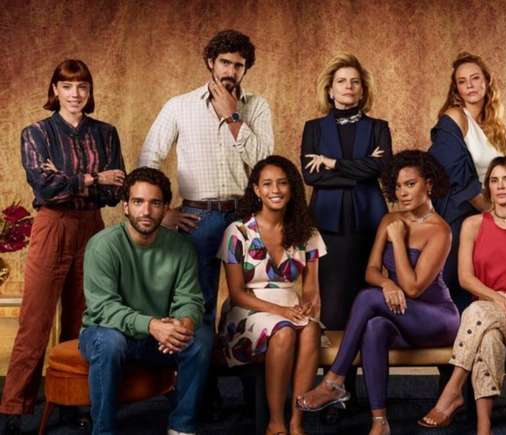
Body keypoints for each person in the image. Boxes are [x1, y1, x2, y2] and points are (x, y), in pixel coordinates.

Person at [138, 29, 274, 416]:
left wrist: (233, 116)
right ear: (211, 63)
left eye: (239, 65)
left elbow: (266, 163)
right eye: (225, 62)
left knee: (253, 301)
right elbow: (148, 157)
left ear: (246, 69)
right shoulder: (179, 106)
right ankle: (200, 394)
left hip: (245, 217)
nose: (231, 70)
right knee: (196, 306)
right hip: (196, 218)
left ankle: (255, 396)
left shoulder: (256, 106)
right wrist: (163, 211)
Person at [1, 59, 125, 434]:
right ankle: (13, 408)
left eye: (82, 86)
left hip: (92, 228)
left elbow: (115, 191)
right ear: (55, 89)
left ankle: (73, 401)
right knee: (35, 321)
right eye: (67, 86)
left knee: (83, 319)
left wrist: (71, 180)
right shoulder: (36, 133)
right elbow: (45, 186)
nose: (75, 94)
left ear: (90, 91)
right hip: (52, 225)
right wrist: (93, 177)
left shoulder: (106, 133)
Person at [297, 150, 460, 435]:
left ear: (429, 184)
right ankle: (379, 422)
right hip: (398, 312)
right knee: (374, 327)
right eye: (398, 186)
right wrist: (387, 283)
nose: (402, 193)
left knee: (368, 297)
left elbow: (413, 288)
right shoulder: (389, 219)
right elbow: (371, 271)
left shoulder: (440, 231)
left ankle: (334, 381)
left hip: (435, 318)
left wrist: (398, 241)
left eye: (410, 184)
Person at [419, 156, 506, 434]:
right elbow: (465, 278)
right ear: (488, 187)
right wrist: (498, 298)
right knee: (488, 338)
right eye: (494, 180)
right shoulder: (473, 224)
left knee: (477, 312)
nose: (500, 186)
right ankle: (484, 427)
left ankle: (452, 390)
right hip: (485, 316)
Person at [79, 167, 211, 435]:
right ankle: (103, 430)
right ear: (126, 206)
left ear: (166, 208)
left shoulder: (182, 247)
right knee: (110, 343)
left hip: (158, 339)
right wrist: (152, 325)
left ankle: (181, 426)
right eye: (138, 202)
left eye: (155, 203)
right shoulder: (103, 245)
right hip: (106, 332)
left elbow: (189, 299)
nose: (146, 211)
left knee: (200, 338)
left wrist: (183, 324)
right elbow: (103, 308)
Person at [218, 156, 325, 435]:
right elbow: (236, 293)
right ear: (256, 190)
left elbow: (311, 288)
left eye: (282, 183)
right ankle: (276, 422)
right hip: (247, 310)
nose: (275, 190)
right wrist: (282, 313)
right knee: (284, 331)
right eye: (267, 184)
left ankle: (297, 422)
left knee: (311, 330)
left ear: (292, 188)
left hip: (291, 306)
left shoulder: (307, 232)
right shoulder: (238, 232)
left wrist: (309, 306)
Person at [301, 52, 391, 331]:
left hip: (369, 220)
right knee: (333, 304)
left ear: (363, 90)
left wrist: (333, 164)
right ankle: (338, 359)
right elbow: (311, 176)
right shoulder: (313, 128)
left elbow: (382, 168)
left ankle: (364, 352)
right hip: (328, 222)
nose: (348, 86)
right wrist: (362, 170)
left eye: (355, 81)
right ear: (330, 90)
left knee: (366, 297)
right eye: (341, 81)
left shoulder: (379, 128)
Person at [429, 51, 506, 312]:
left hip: (491, 215)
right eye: (462, 81)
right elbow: (454, 173)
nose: (470, 86)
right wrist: (494, 213)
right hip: (459, 214)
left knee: (494, 285)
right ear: (457, 89)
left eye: (475, 78)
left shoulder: (496, 127)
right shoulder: (454, 118)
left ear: (487, 81)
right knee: (457, 289)